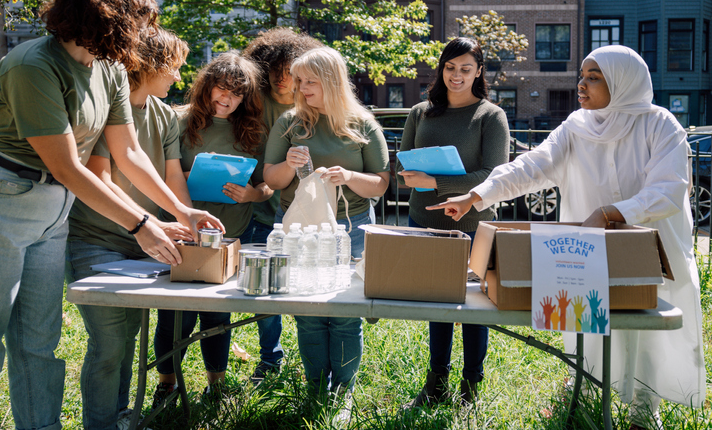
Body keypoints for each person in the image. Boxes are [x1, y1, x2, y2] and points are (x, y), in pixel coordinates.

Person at [0, 0, 223, 430]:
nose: (143, 32)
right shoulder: (33, 65)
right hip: (5, 200)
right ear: (108, 15)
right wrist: (141, 224)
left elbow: (129, 151)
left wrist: (180, 209)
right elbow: (67, 165)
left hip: (56, 213)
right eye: (138, 20)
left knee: (38, 340)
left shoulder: (111, 68)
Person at [430, 45, 706, 429]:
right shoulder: (577, 125)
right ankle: (588, 393)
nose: (581, 84)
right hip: (585, 250)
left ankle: (645, 410)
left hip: (647, 251)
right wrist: (478, 195)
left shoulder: (660, 126)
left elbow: (669, 190)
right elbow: (532, 166)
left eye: (594, 77)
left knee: (644, 329)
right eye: (582, 75)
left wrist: (613, 213)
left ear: (622, 83)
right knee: (590, 319)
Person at [65, 27, 198, 429]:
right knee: (110, 345)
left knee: (129, 342)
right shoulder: (106, 109)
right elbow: (100, 177)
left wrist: (188, 221)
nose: (178, 78)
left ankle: (121, 416)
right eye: (173, 68)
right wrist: (153, 223)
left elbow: (174, 179)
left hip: (145, 245)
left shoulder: (164, 115)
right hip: (96, 241)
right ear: (148, 65)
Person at [263, 47, 390, 411]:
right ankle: (316, 391)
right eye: (299, 81)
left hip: (352, 230)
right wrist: (288, 164)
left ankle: (344, 393)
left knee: (346, 315)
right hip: (301, 233)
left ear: (332, 81)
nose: (301, 88)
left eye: (309, 81)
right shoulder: (289, 122)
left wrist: (349, 176)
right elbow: (271, 179)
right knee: (308, 313)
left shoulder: (363, 124)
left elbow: (381, 184)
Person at [152, 52, 273, 403]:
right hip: (183, 235)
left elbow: (268, 185)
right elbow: (157, 172)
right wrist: (183, 178)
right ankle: (166, 384)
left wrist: (252, 193)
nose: (227, 98)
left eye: (237, 93)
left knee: (217, 316)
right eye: (222, 88)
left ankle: (216, 387)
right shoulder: (178, 121)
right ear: (207, 85)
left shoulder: (252, 130)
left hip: (230, 235)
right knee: (175, 317)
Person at [398, 37, 509, 408]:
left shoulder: (490, 116)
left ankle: (471, 387)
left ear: (478, 71)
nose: (456, 76)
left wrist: (437, 182)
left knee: (474, 309)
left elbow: (493, 175)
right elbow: (404, 164)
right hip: (424, 221)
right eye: (450, 67)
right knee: (437, 305)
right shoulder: (420, 112)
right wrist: (413, 177)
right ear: (441, 68)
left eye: (465, 69)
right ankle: (436, 381)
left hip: (474, 225)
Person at [240, 28, 323, 384]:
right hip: (257, 202)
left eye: (291, 70)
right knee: (264, 290)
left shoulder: (310, 99)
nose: (283, 77)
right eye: (275, 69)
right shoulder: (252, 98)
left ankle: (317, 366)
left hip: (300, 207)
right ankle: (269, 358)